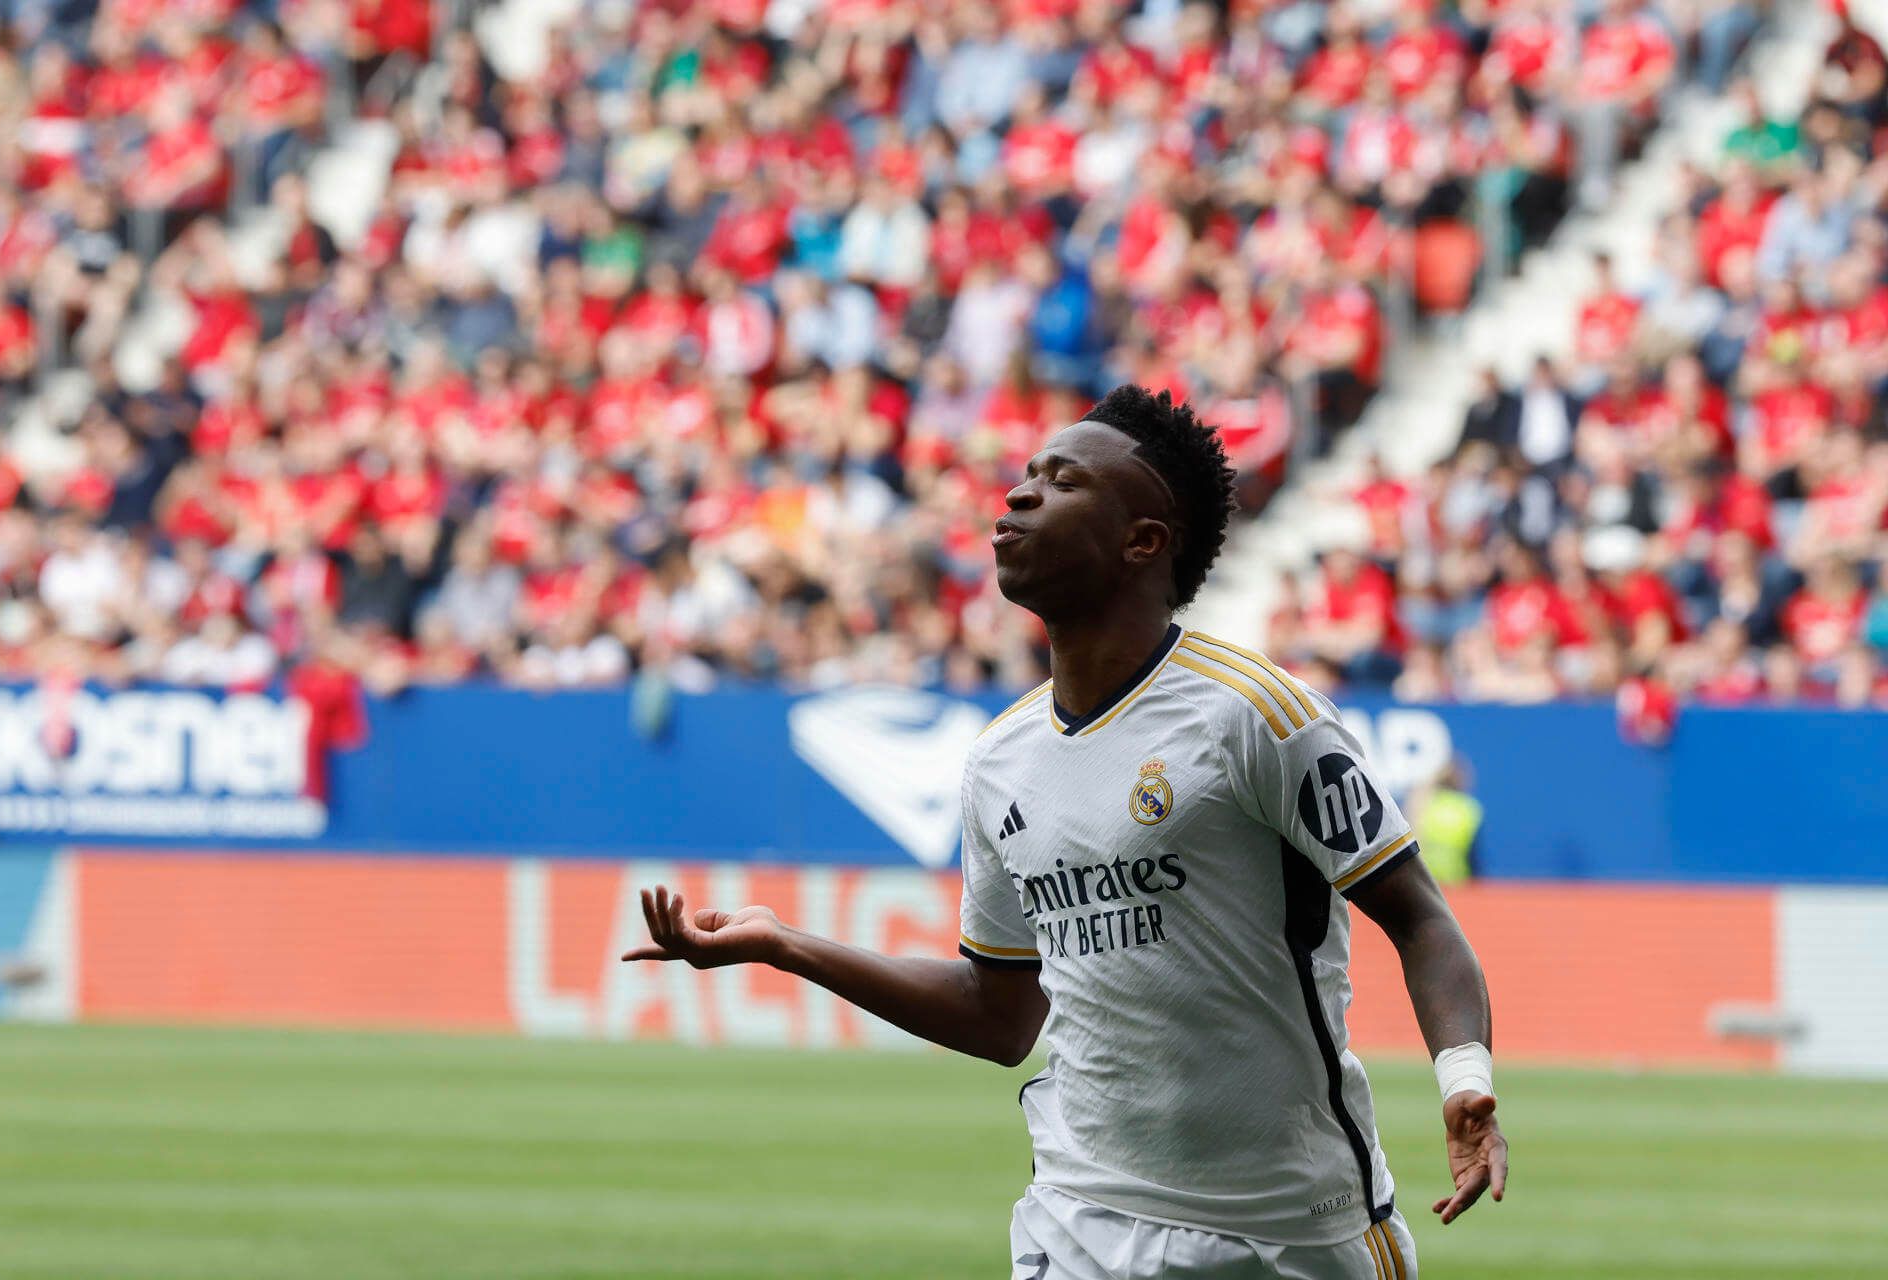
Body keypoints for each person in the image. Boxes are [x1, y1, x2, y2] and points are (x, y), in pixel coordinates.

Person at [624, 386, 1508, 1279]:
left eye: (1063, 481)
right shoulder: (1000, 760)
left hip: (1286, 1233)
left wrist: (1464, 1076)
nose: (1017, 496)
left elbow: (1420, 917)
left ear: (1144, 542)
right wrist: (786, 946)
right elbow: (1000, 1013)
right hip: (1080, 1218)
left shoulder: (1256, 717)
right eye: (1025, 476)